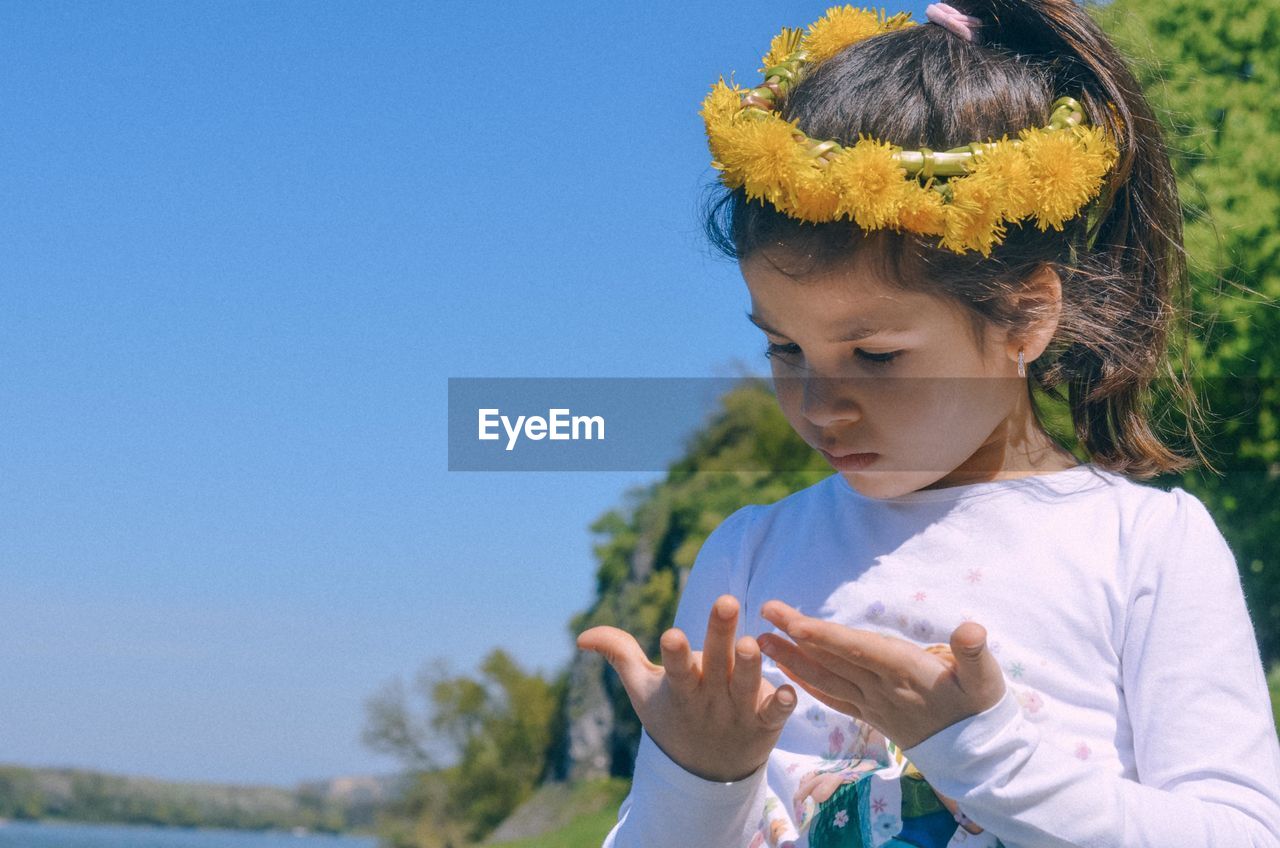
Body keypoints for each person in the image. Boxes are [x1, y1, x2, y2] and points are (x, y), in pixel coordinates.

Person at [576, 1, 1280, 846]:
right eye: (785, 349)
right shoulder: (748, 558)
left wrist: (981, 752)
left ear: (1025, 317)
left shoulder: (1145, 545)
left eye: (875, 357)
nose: (820, 405)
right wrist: (702, 777)